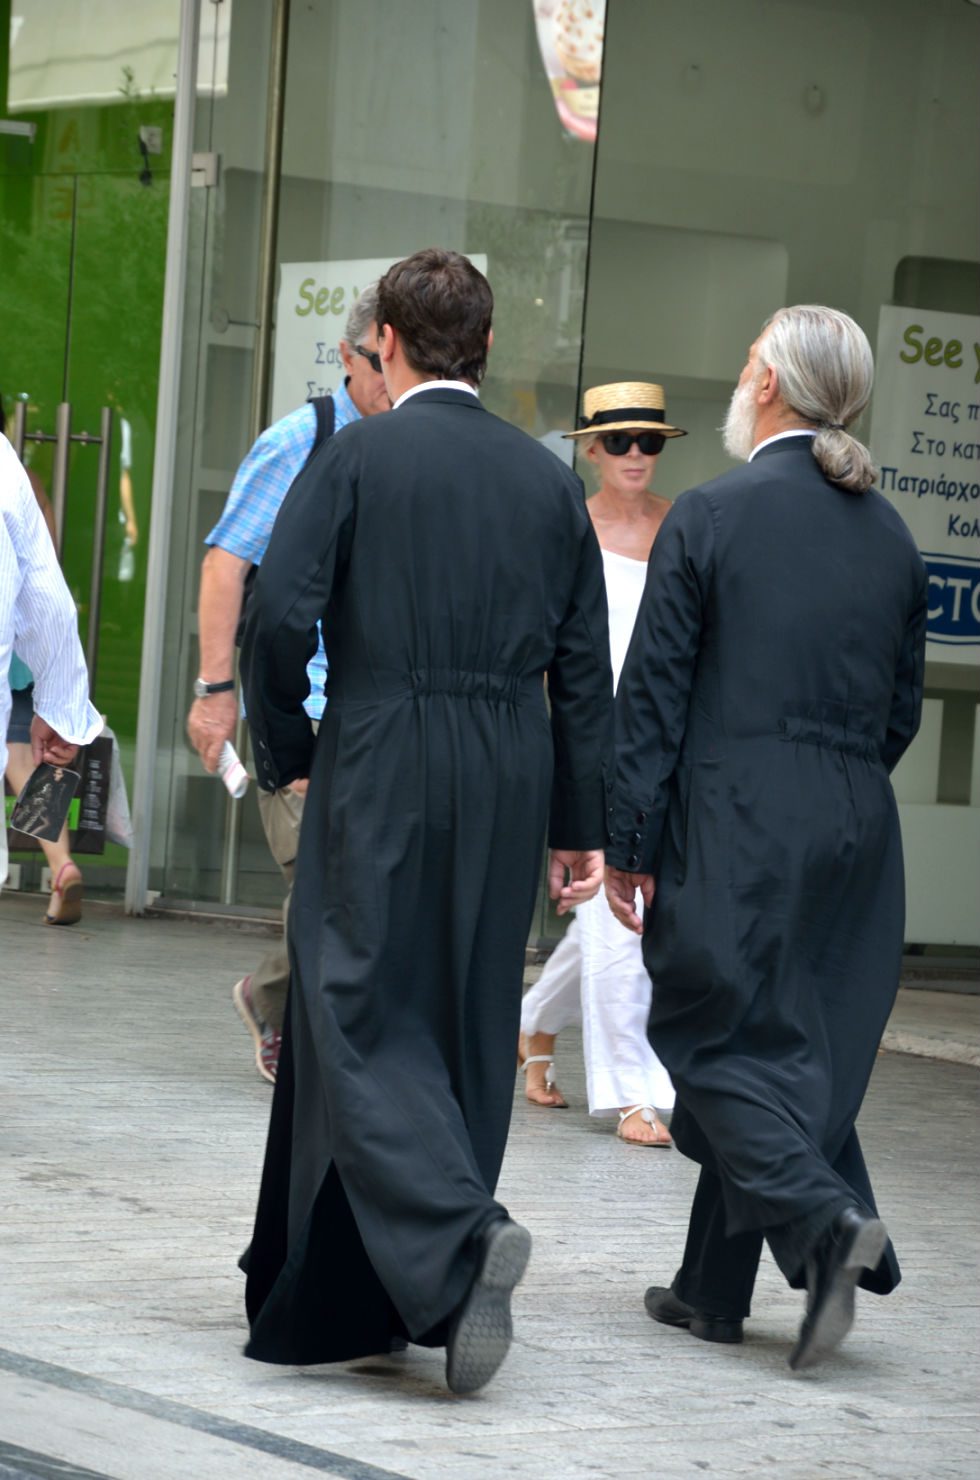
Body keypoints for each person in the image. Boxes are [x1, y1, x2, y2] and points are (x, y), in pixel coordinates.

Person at [239, 247, 613, 1394]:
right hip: (507, 763)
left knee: (349, 1002)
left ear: (388, 343)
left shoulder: (356, 455)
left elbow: (276, 616)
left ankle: (459, 1236)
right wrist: (577, 821)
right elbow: (583, 668)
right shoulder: (548, 483)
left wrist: (290, 749)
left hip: (382, 745)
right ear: (486, 347)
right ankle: (374, 1293)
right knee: (459, 1015)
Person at [604, 305, 927, 1372]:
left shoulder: (711, 513)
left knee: (712, 1037)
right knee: (785, 1049)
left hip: (734, 817)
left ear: (773, 387)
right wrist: (834, 788)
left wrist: (629, 841)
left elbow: (652, 697)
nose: (740, 380)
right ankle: (710, 1291)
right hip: (854, 826)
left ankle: (827, 1227)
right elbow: (900, 712)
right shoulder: (891, 536)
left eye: (748, 363)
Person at [186, 285, 390, 1083]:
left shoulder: (408, 445)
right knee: (326, 883)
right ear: (346, 357)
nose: (392, 379)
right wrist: (214, 691)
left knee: (356, 885)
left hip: (377, 711)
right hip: (298, 705)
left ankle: (270, 994)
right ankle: (301, 1031)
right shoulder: (299, 442)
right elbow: (225, 565)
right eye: (378, 362)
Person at [518, 382, 684, 1145]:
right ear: (590, 449)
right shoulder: (568, 526)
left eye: (649, 441)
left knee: (614, 909)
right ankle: (633, 1092)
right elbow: (547, 642)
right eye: (619, 441)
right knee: (621, 917)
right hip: (586, 735)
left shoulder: (683, 526)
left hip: (662, 735)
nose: (635, 454)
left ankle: (532, 1023)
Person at [1, 432, 102, 891]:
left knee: (18, 756)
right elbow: (44, 576)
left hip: (17, 644)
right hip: (22, 643)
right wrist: (63, 707)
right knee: (29, 759)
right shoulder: (19, 477)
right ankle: (61, 862)